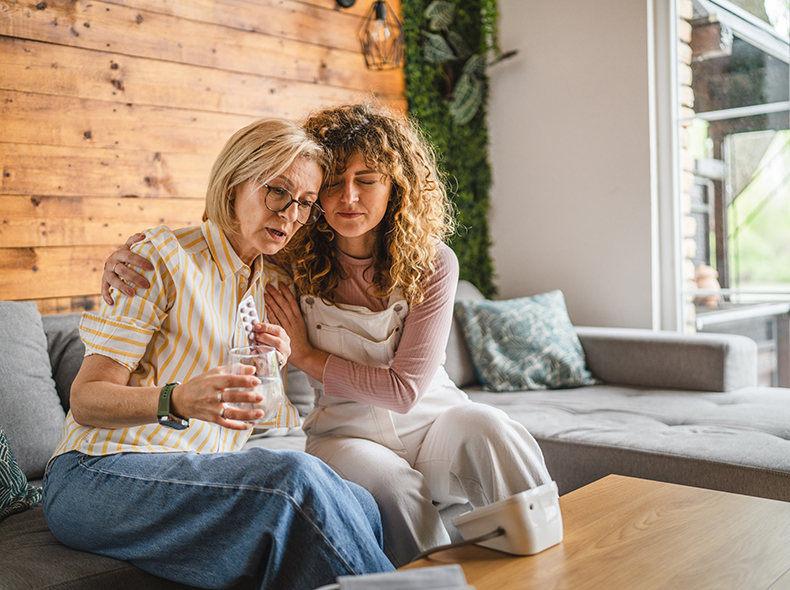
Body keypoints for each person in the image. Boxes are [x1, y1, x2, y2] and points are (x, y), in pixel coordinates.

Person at [102, 104, 552, 567]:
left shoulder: (433, 263)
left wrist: (306, 355)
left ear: (395, 185)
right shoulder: (289, 258)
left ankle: (553, 558)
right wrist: (128, 256)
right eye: (333, 182)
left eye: (367, 180)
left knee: (491, 426)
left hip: (433, 422)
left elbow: (404, 392)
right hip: (345, 436)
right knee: (393, 485)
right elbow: (227, 236)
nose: (348, 197)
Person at [44, 117, 394, 590]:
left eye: (306, 203)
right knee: (295, 479)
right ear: (233, 185)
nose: (291, 214)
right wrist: (178, 399)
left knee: (361, 504)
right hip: (97, 472)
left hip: (195, 468)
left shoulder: (270, 280)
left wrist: (279, 360)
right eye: (278, 192)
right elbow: (86, 400)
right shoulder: (160, 258)